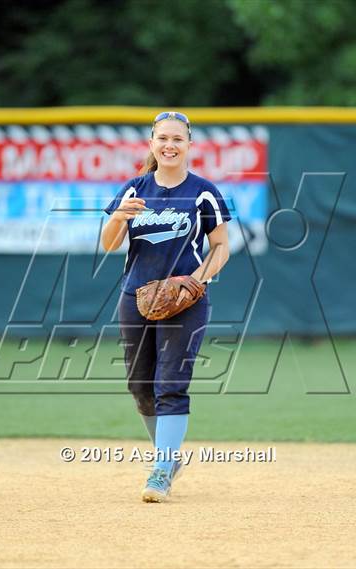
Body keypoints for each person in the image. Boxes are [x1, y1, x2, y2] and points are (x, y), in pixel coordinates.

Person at [102, 111, 231, 502]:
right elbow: (108, 244)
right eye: (163, 138)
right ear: (152, 143)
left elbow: (221, 246)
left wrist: (197, 281)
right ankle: (168, 457)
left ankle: (161, 468)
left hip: (186, 301)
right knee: (140, 387)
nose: (169, 145)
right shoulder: (134, 189)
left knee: (171, 385)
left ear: (189, 144)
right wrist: (121, 217)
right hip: (136, 296)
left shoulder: (203, 191)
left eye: (177, 138)